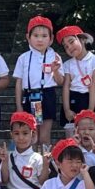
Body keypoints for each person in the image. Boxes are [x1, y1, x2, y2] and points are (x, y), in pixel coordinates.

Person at [13, 15, 64, 149]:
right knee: (32, 135)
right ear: (28, 37)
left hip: (47, 95)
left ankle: (45, 160)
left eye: (44, 36)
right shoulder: (23, 58)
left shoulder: (55, 57)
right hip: (30, 96)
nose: (40, 39)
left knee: (44, 136)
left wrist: (56, 70)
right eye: (35, 35)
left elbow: (60, 81)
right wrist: (19, 106)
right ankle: (32, 160)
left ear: (51, 39)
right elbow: (19, 82)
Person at [57, 24, 95, 131]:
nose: (69, 47)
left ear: (82, 39)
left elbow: (94, 86)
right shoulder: (67, 64)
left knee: (89, 131)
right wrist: (67, 109)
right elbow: (66, 86)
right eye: (66, 46)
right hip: (72, 100)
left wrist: (90, 111)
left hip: (89, 99)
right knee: (72, 133)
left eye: (71, 41)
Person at [0, 111, 47, 189]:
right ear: (11, 135)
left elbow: (42, 181)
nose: (21, 138)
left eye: (25, 133)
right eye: (16, 133)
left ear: (33, 134)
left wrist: (46, 164)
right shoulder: (9, 156)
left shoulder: (37, 158)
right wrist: (4, 161)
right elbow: (4, 180)